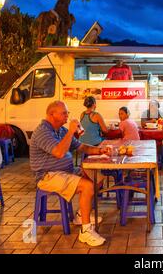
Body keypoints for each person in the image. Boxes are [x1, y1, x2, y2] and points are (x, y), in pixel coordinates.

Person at [29, 101, 111, 247]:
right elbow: (59, 152)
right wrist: (70, 131)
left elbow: (81, 147)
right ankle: (85, 232)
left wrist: (100, 150)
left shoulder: (60, 131)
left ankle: (80, 215)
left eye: (67, 113)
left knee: (98, 178)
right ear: (51, 114)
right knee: (87, 186)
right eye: (64, 113)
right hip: (48, 176)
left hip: (65, 172)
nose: (67, 116)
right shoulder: (42, 132)